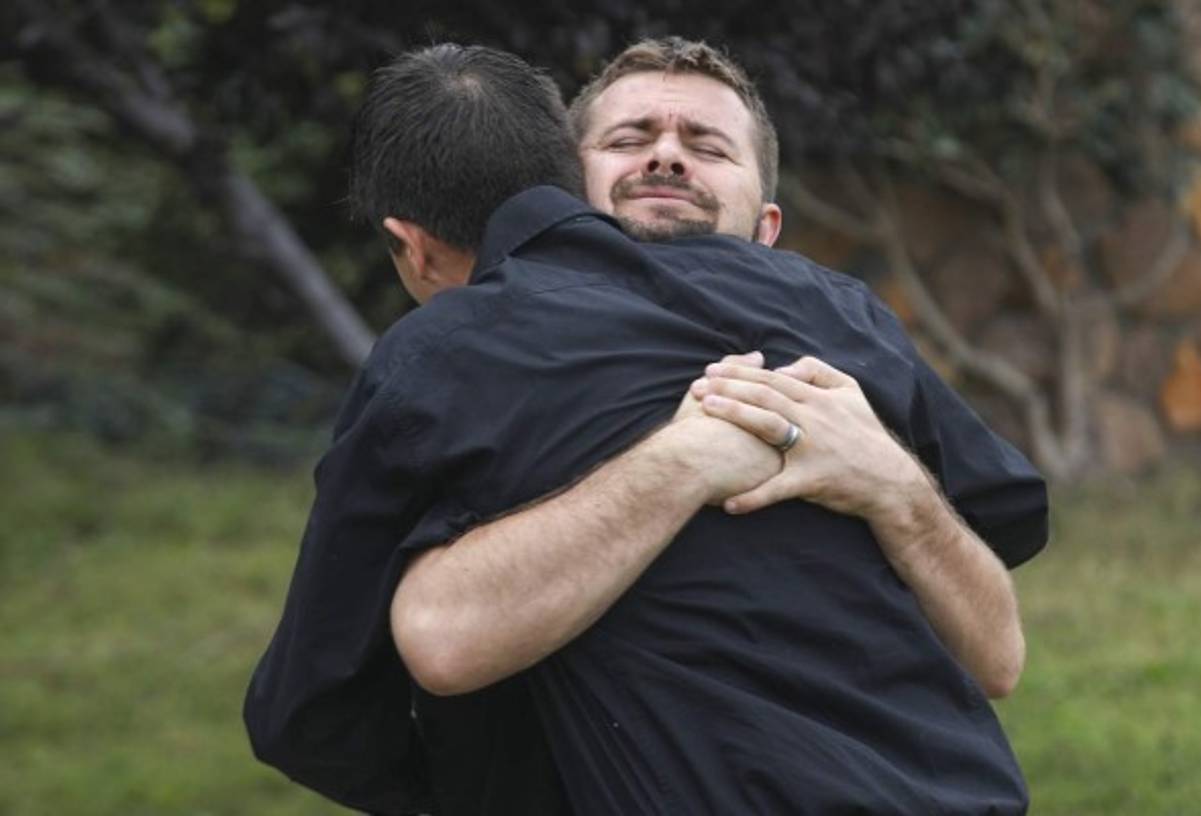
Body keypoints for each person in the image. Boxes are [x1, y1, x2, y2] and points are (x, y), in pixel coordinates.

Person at [245, 41, 1047, 815]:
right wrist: (686, 459)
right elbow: (432, 638)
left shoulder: (841, 319)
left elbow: (999, 654)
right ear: (563, 185)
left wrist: (895, 485)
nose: (666, 158)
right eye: (630, 139)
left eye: (707, 146)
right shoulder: (473, 358)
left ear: (769, 232)